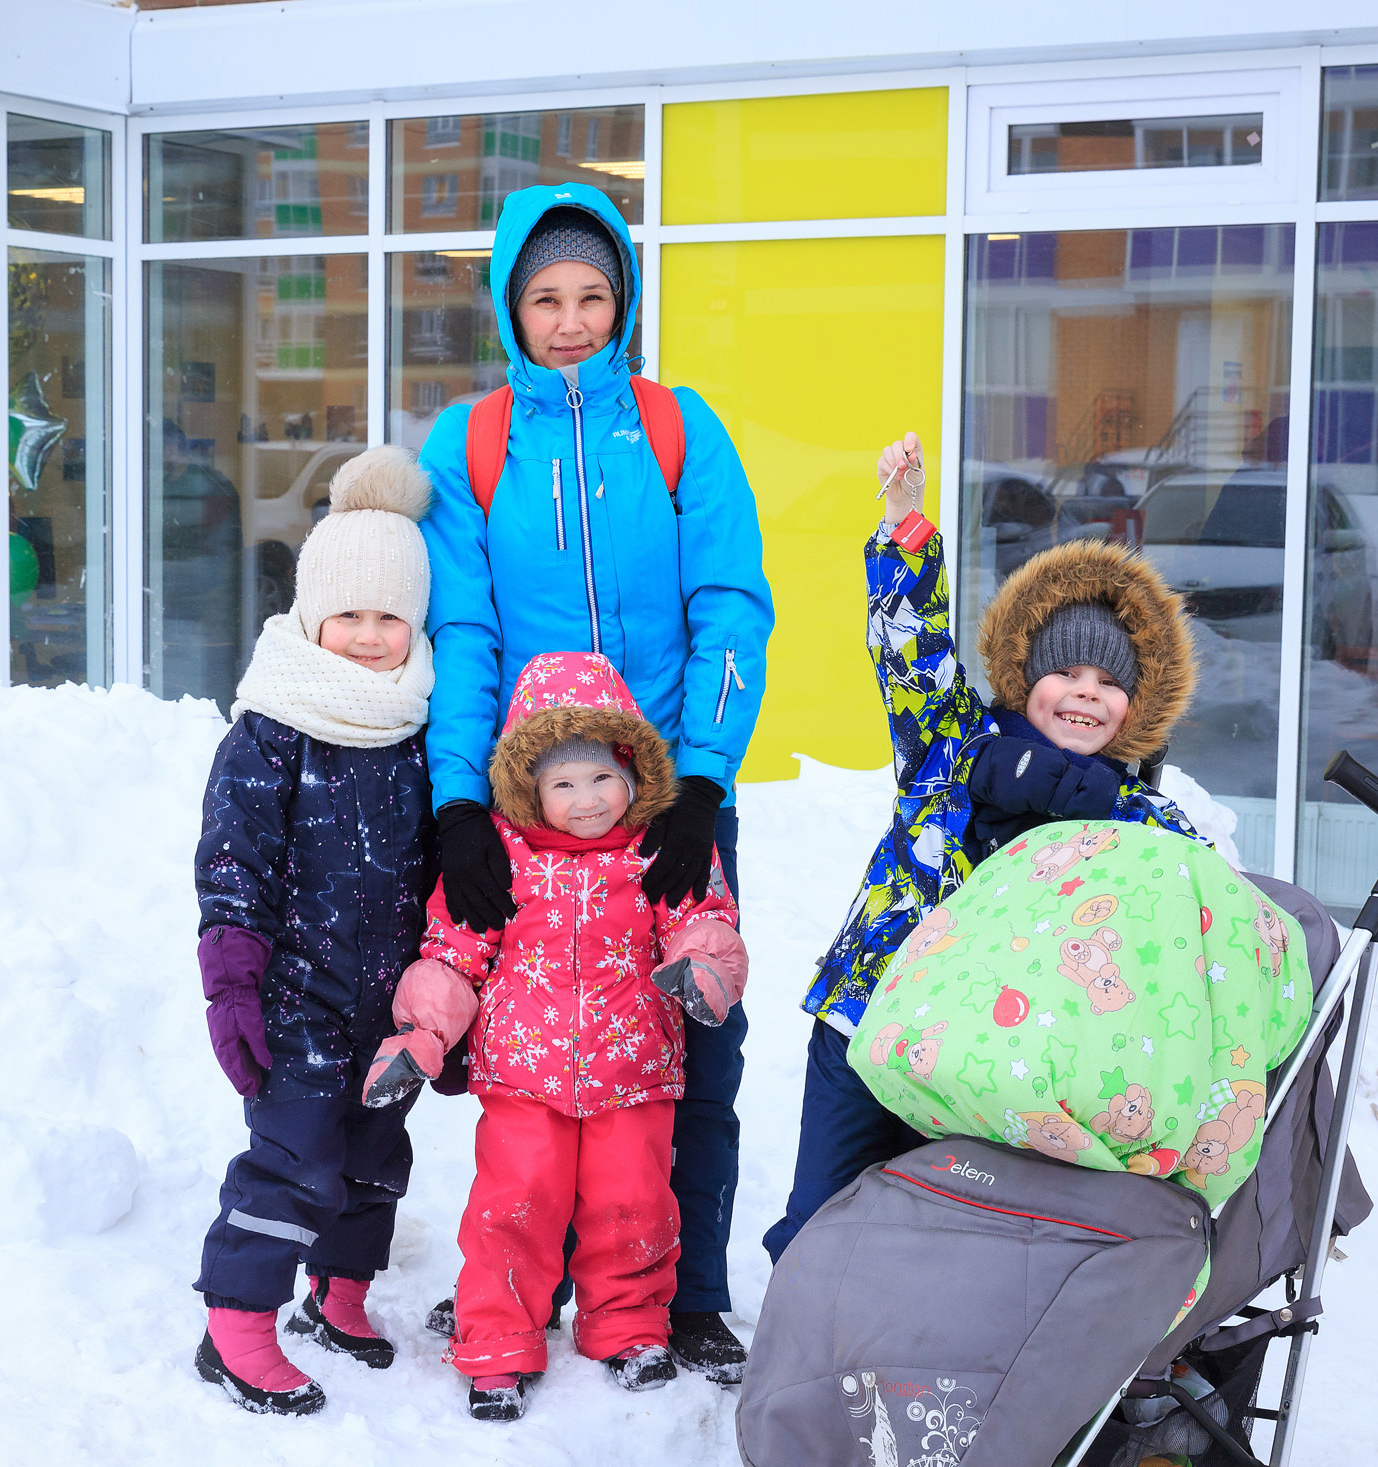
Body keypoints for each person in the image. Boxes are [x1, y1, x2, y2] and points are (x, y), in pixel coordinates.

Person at [417, 181, 773, 1381]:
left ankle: (689, 1294)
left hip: (667, 797)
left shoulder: (678, 429)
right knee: (530, 1059)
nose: (570, 321)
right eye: (545, 299)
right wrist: (460, 802)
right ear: (510, 309)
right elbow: (463, 631)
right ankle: (524, 1284)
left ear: (622, 303)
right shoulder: (470, 443)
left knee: (694, 1048)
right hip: (528, 810)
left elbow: (728, 605)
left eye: (591, 296)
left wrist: (704, 781)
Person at [761, 432, 1205, 1262]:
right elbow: (909, 654)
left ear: (1137, 707)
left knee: (939, 1242)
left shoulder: (1137, 820)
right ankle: (804, 1324)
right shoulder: (953, 742)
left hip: (988, 1063)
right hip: (869, 1016)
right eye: (1066, 672)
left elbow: (1197, 901)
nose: (1086, 693)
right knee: (821, 1219)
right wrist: (904, 524)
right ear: (1024, 675)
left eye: (1111, 682)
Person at [360, 651, 748, 1421]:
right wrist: (421, 1033)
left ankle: (628, 1326)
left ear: (633, 770)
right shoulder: (500, 856)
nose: (588, 799)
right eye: (563, 784)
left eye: (603, 776)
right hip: (523, 1077)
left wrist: (704, 967)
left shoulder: (657, 846)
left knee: (634, 1206)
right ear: (529, 787)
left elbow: (704, 918)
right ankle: (499, 1340)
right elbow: (453, 952)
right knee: (514, 1207)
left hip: (634, 1068)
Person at [191, 447, 439, 1417]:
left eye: (390, 618)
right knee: (294, 1156)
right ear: (311, 616)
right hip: (296, 994)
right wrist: (233, 977)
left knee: (376, 1151)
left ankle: (339, 1295)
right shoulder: (273, 726)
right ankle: (236, 1323)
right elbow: (233, 862)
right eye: (350, 615)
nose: (370, 638)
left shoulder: (421, 727)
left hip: (390, 995)